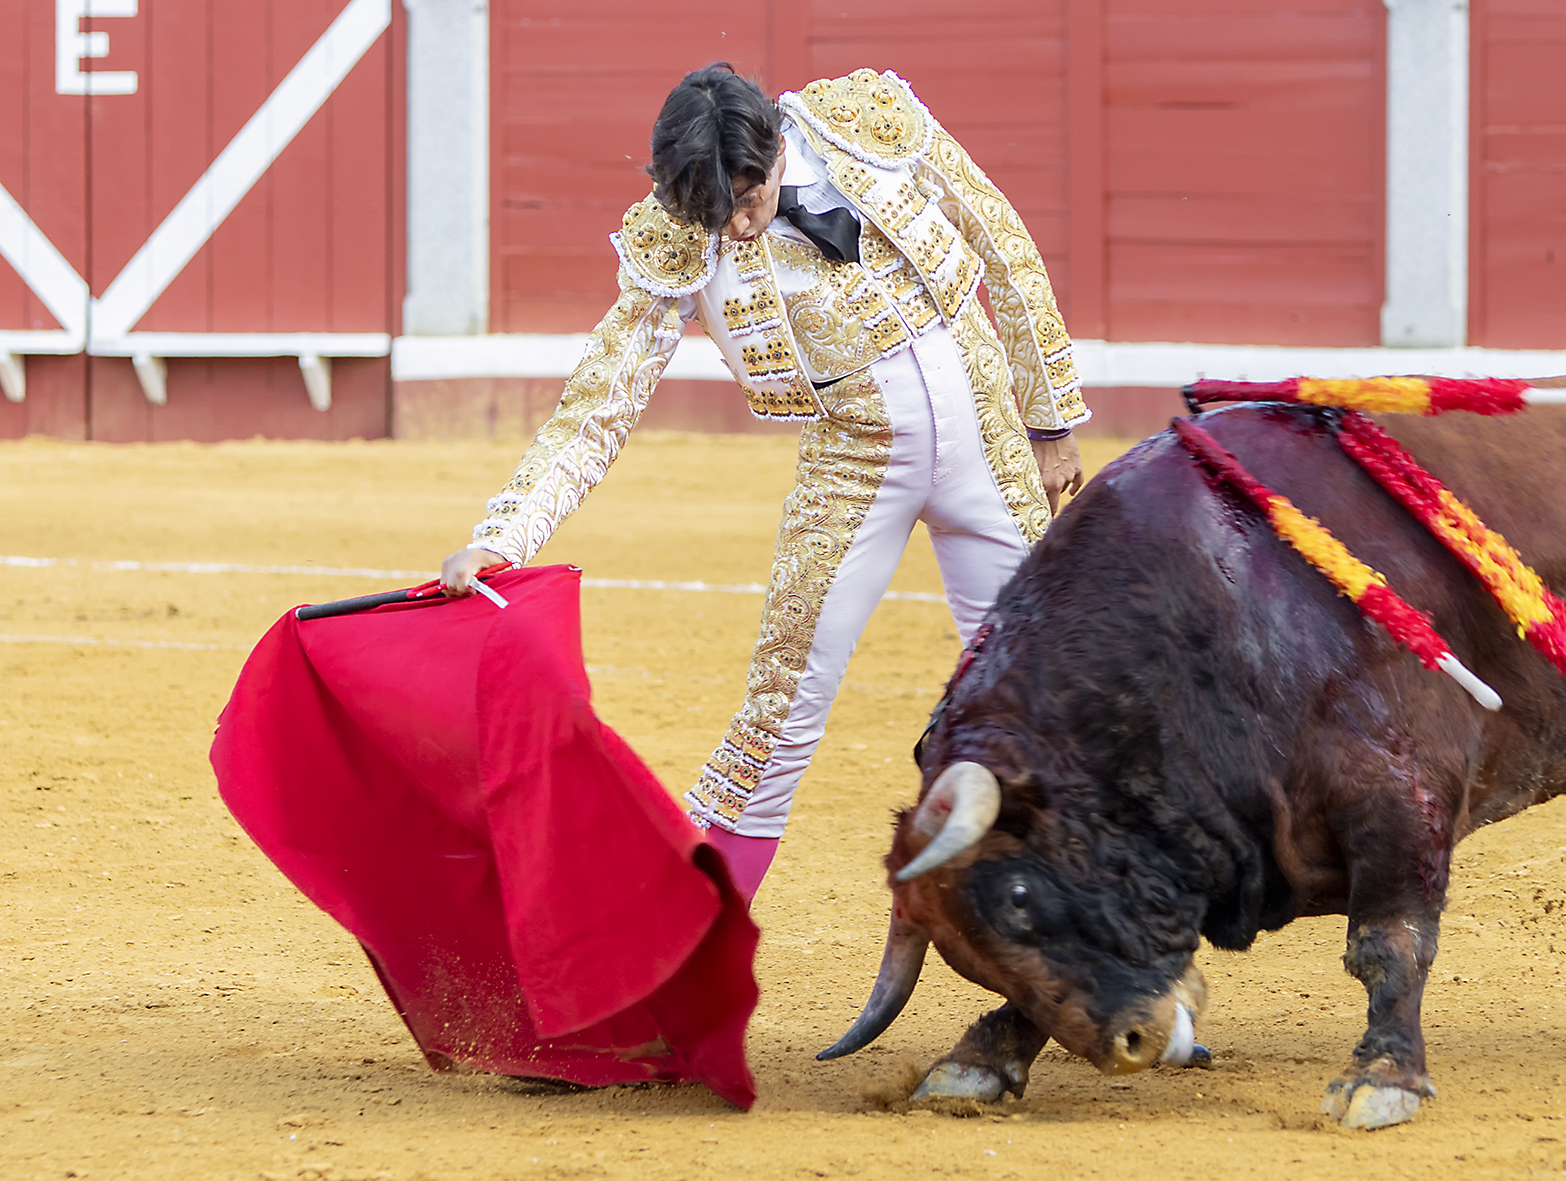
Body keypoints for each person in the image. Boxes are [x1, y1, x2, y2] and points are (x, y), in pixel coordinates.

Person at [441, 63, 1090, 902]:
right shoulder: (683, 229)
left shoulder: (865, 121)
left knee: (1043, 690)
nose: (738, 228)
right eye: (717, 215)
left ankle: (1099, 933)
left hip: (990, 435)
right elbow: (602, 400)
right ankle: (687, 937)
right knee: (778, 711)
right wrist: (505, 534)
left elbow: (1000, 241)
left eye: (746, 202)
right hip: (855, 461)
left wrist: (1051, 421)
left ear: (779, 149)